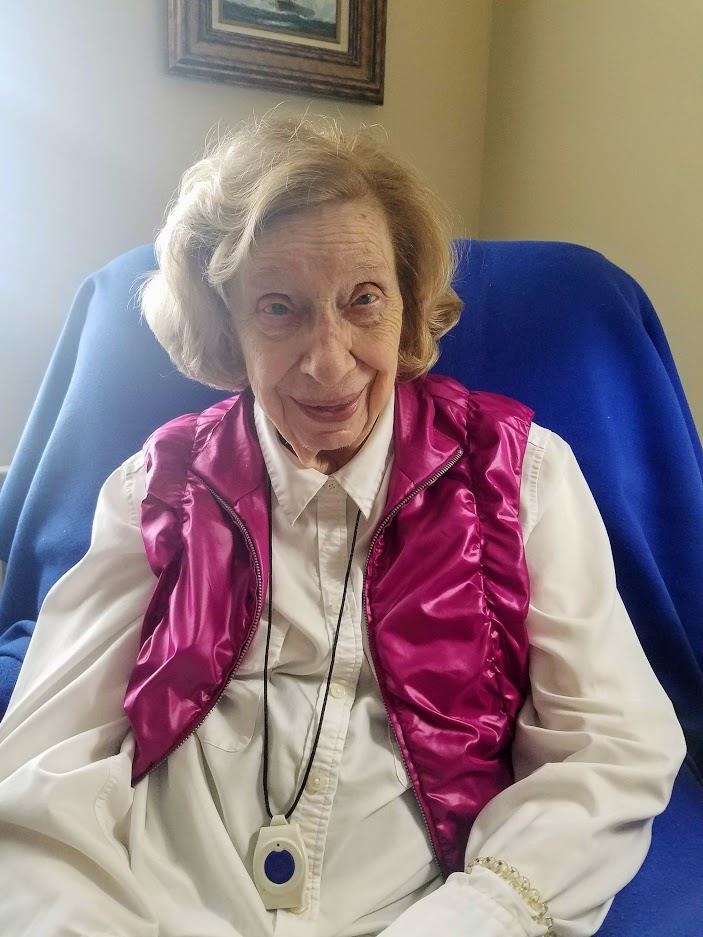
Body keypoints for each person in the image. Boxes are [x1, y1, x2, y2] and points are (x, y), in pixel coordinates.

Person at [0, 113, 686, 937]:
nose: (330, 362)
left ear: (407, 306)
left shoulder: (520, 473)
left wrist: (479, 914)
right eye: (279, 309)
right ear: (228, 325)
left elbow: (608, 745)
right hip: (158, 903)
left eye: (362, 301)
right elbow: (45, 759)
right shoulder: (157, 487)